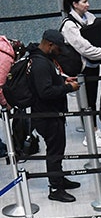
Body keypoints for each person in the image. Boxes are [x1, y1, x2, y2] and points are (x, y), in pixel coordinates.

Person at [30, 30, 80, 203]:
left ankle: (59, 179)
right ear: (49, 45)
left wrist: (63, 81)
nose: (60, 53)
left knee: (58, 150)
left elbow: (48, 84)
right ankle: (55, 188)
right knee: (54, 152)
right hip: (47, 117)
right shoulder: (40, 64)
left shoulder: (43, 60)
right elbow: (45, 92)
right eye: (58, 49)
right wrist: (68, 88)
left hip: (50, 114)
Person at [61, 0, 101, 146]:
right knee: (86, 101)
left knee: (92, 98)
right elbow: (84, 48)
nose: (87, 4)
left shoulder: (91, 18)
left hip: (94, 64)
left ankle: (94, 128)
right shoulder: (69, 25)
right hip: (82, 67)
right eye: (84, 2)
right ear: (75, 4)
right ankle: (89, 134)